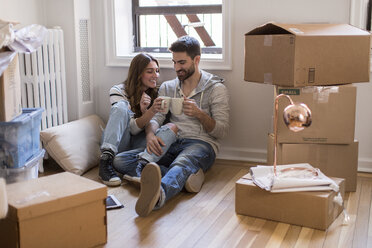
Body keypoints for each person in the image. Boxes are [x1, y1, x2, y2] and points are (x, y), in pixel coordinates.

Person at [115, 36, 230, 217]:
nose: (177, 68)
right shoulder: (168, 87)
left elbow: (221, 131)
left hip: (200, 143)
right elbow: (157, 118)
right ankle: (185, 178)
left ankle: (159, 195)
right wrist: (151, 135)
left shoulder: (216, 89)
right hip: (171, 140)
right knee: (121, 160)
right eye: (174, 62)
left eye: (182, 62)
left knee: (183, 162)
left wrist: (199, 114)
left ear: (196, 60)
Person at [99, 53, 178, 186]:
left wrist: (145, 111)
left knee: (166, 131)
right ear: (138, 73)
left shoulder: (158, 93)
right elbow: (132, 130)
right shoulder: (118, 91)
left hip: (138, 147)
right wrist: (150, 112)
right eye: (150, 71)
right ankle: (106, 160)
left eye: (157, 71)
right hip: (119, 143)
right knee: (121, 106)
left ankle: (157, 171)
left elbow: (153, 129)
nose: (156, 75)